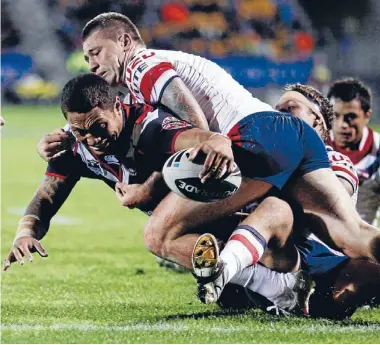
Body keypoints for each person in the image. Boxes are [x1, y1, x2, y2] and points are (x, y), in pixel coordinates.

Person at [327, 78, 380, 226]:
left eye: (351, 117)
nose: (342, 124)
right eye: (335, 116)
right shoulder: (316, 146)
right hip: (317, 242)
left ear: (367, 115)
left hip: (360, 243)